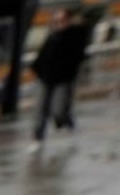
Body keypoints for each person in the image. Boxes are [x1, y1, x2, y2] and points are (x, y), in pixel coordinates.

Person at [30, 8, 92, 146]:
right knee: (41, 108)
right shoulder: (52, 35)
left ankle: (67, 123)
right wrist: (36, 68)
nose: (59, 24)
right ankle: (37, 138)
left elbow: (79, 54)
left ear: (69, 21)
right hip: (45, 76)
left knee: (58, 109)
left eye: (62, 21)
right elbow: (43, 54)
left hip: (63, 78)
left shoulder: (75, 35)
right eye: (56, 21)